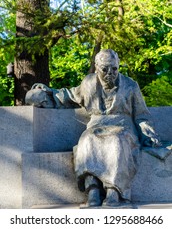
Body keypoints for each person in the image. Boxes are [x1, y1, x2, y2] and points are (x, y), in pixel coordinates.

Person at [25, 49, 161, 207]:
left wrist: (148, 134)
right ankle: (93, 189)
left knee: (117, 142)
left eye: (114, 68)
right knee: (86, 140)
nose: (110, 73)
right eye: (105, 69)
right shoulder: (88, 83)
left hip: (123, 127)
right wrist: (46, 94)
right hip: (96, 126)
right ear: (96, 67)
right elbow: (68, 96)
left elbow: (141, 115)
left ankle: (114, 192)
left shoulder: (131, 85)